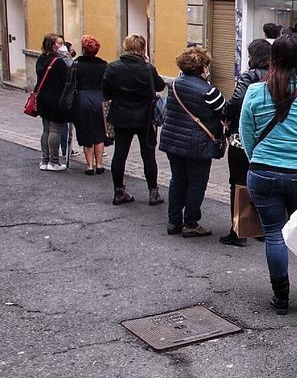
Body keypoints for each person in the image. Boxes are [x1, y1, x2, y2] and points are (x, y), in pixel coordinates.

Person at [240, 34, 297, 314]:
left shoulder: (254, 92)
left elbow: (246, 135)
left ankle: (281, 298)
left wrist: (258, 159)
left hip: (263, 172)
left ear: (272, 59)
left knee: (274, 234)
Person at [159, 47, 226, 237]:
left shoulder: (173, 85)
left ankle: (174, 221)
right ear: (202, 68)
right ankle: (190, 222)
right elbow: (224, 112)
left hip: (173, 139)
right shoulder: (209, 91)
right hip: (198, 144)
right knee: (197, 183)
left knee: (177, 180)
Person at [103, 34, 166, 206]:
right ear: (142, 49)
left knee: (120, 154)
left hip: (122, 116)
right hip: (145, 118)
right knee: (148, 156)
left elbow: (106, 92)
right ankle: (153, 192)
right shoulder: (147, 68)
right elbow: (160, 86)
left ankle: (119, 191)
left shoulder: (113, 67)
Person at [219, 39, 271, 247]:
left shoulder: (249, 76)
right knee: (261, 183)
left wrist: (227, 115)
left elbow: (236, 102)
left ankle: (238, 230)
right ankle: (261, 229)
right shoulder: (276, 77)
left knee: (238, 183)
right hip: (267, 138)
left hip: (242, 138)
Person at [71, 35, 110, 175]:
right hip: (100, 99)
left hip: (83, 99)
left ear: (83, 49)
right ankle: (99, 164)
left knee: (86, 130)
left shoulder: (76, 64)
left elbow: (71, 83)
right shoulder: (104, 65)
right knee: (100, 132)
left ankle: (89, 166)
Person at [34, 33, 72, 171]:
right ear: (52, 45)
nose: (62, 46)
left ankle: (44, 160)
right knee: (55, 129)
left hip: (43, 97)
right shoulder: (58, 62)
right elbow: (67, 79)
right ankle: (54, 161)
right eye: (59, 43)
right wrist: (68, 59)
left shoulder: (41, 59)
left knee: (46, 129)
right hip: (56, 98)